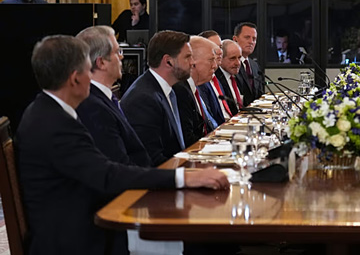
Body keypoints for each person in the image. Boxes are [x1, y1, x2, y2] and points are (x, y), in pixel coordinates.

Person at [15, 35, 228, 255]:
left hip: (84, 223)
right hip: (81, 238)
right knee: (204, 243)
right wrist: (183, 178)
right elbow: (107, 175)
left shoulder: (49, 112)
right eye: (88, 70)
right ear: (74, 78)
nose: (92, 78)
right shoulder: (55, 124)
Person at [75, 26, 151, 167]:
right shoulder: (93, 107)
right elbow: (119, 166)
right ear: (101, 62)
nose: (122, 56)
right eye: (117, 52)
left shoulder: (104, 98)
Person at [121, 30, 192, 165]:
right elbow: (151, 160)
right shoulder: (144, 99)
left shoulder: (166, 89)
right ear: (168, 61)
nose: (192, 62)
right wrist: (190, 173)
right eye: (187, 57)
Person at [173, 36, 223, 146]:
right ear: (192, 61)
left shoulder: (197, 86)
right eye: (211, 60)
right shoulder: (181, 91)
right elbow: (188, 139)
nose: (215, 66)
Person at [232, 22, 263, 105]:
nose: (251, 42)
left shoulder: (255, 65)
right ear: (235, 39)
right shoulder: (230, 65)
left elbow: (259, 94)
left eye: (254, 39)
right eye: (247, 37)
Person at [218, 39, 245, 111]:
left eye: (239, 58)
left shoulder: (238, 76)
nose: (238, 63)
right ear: (220, 59)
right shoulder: (217, 80)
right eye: (232, 58)